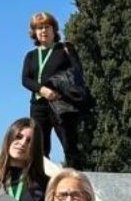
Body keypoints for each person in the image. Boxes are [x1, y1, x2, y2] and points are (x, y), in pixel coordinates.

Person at [21, 11, 84, 166]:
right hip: (38, 105)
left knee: (69, 145)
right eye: (39, 28)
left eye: (47, 27)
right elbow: (25, 79)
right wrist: (41, 89)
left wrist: (58, 90)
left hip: (61, 104)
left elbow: (77, 72)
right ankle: (42, 184)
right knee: (40, 148)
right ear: (34, 32)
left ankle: (75, 180)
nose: (43, 31)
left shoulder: (65, 49)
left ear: (53, 29)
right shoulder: (31, 55)